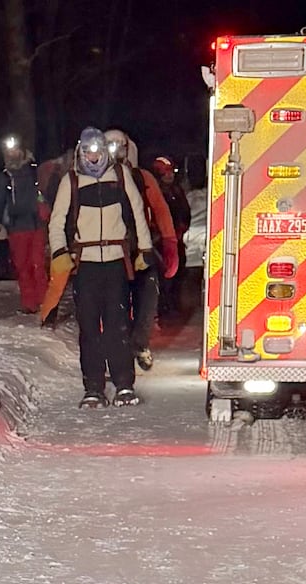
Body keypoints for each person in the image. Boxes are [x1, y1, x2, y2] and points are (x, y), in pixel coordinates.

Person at [48, 127, 154, 408]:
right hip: (86, 265)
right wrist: (59, 252)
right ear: (81, 152)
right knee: (89, 328)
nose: (93, 158)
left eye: (97, 152)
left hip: (117, 263)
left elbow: (138, 211)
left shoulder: (120, 175)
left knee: (118, 325)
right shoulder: (70, 181)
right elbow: (56, 221)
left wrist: (145, 249)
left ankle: (124, 384)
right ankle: (93, 387)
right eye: (88, 152)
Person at [103, 129, 178, 372]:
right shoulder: (91, 180)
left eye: (120, 146)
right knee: (112, 303)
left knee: (147, 298)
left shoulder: (142, 178)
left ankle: (140, 343)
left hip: (139, 248)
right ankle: (116, 350)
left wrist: (170, 243)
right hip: (107, 251)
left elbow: (160, 210)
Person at [0, 135, 49, 314]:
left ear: (22, 151)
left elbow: (46, 192)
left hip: (36, 225)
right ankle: (29, 303)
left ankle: (46, 302)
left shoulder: (34, 171)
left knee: (38, 264)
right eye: (9, 151)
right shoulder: (4, 177)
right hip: (17, 228)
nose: (13, 154)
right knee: (23, 267)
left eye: (16, 150)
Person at [151, 156, 191, 317]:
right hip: (159, 242)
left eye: (171, 172)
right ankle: (162, 309)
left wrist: (181, 228)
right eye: (166, 172)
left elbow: (185, 213)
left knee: (178, 273)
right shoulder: (154, 192)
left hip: (176, 240)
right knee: (162, 276)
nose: (170, 175)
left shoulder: (176, 191)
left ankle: (173, 305)